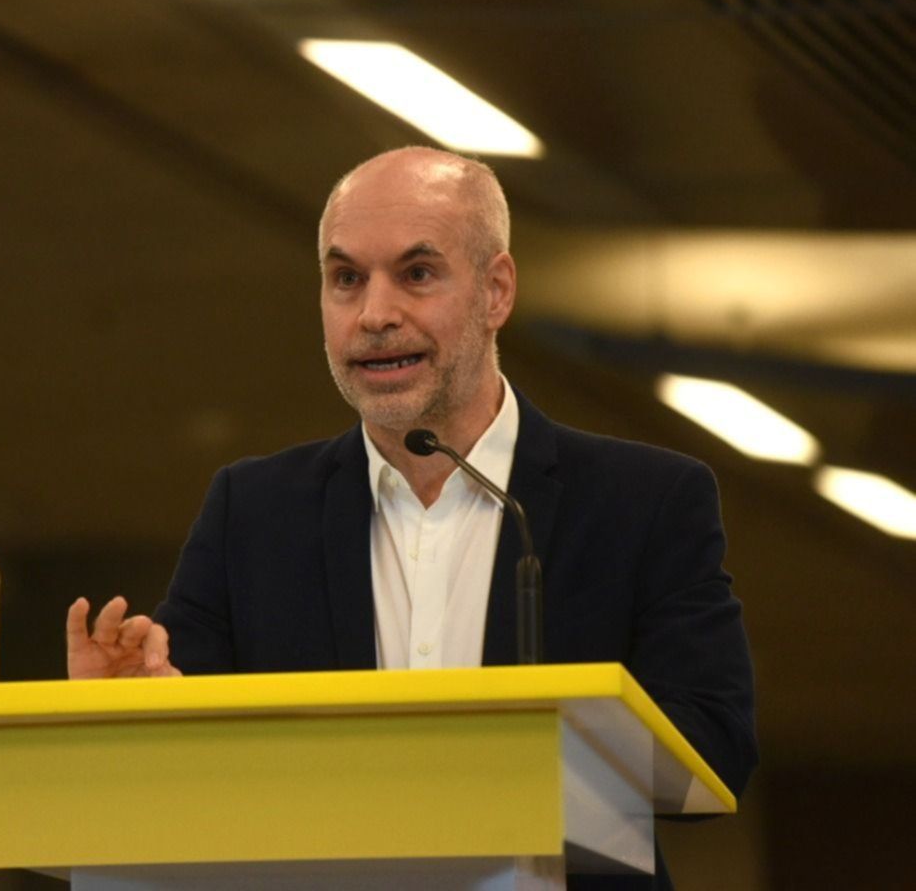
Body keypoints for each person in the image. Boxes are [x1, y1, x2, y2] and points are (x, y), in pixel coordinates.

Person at [63, 147, 756, 888]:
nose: (375, 315)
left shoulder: (643, 500)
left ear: (496, 291)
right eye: (346, 279)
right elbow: (185, 766)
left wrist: (534, 757)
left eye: (417, 274)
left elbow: (713, 744)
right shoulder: (253, 512)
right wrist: (130, 716)